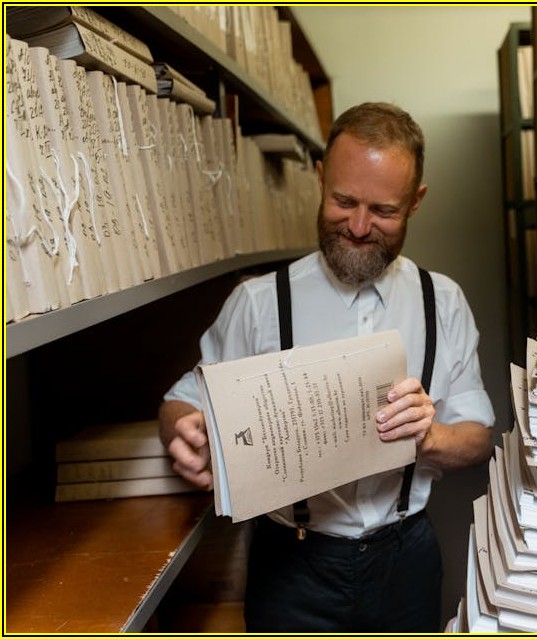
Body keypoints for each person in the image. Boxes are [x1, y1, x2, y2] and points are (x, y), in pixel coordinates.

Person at [159, 102, 495, 633]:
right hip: (290, 566)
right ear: (320, 179)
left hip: (406, 559)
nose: (359, 227)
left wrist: (428, 437)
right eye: (343, 201)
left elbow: (477, 437)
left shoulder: (443, 302)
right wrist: (184, 432)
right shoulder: (259, 302)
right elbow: (184, 400)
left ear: (416, 202)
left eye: (383, 210)